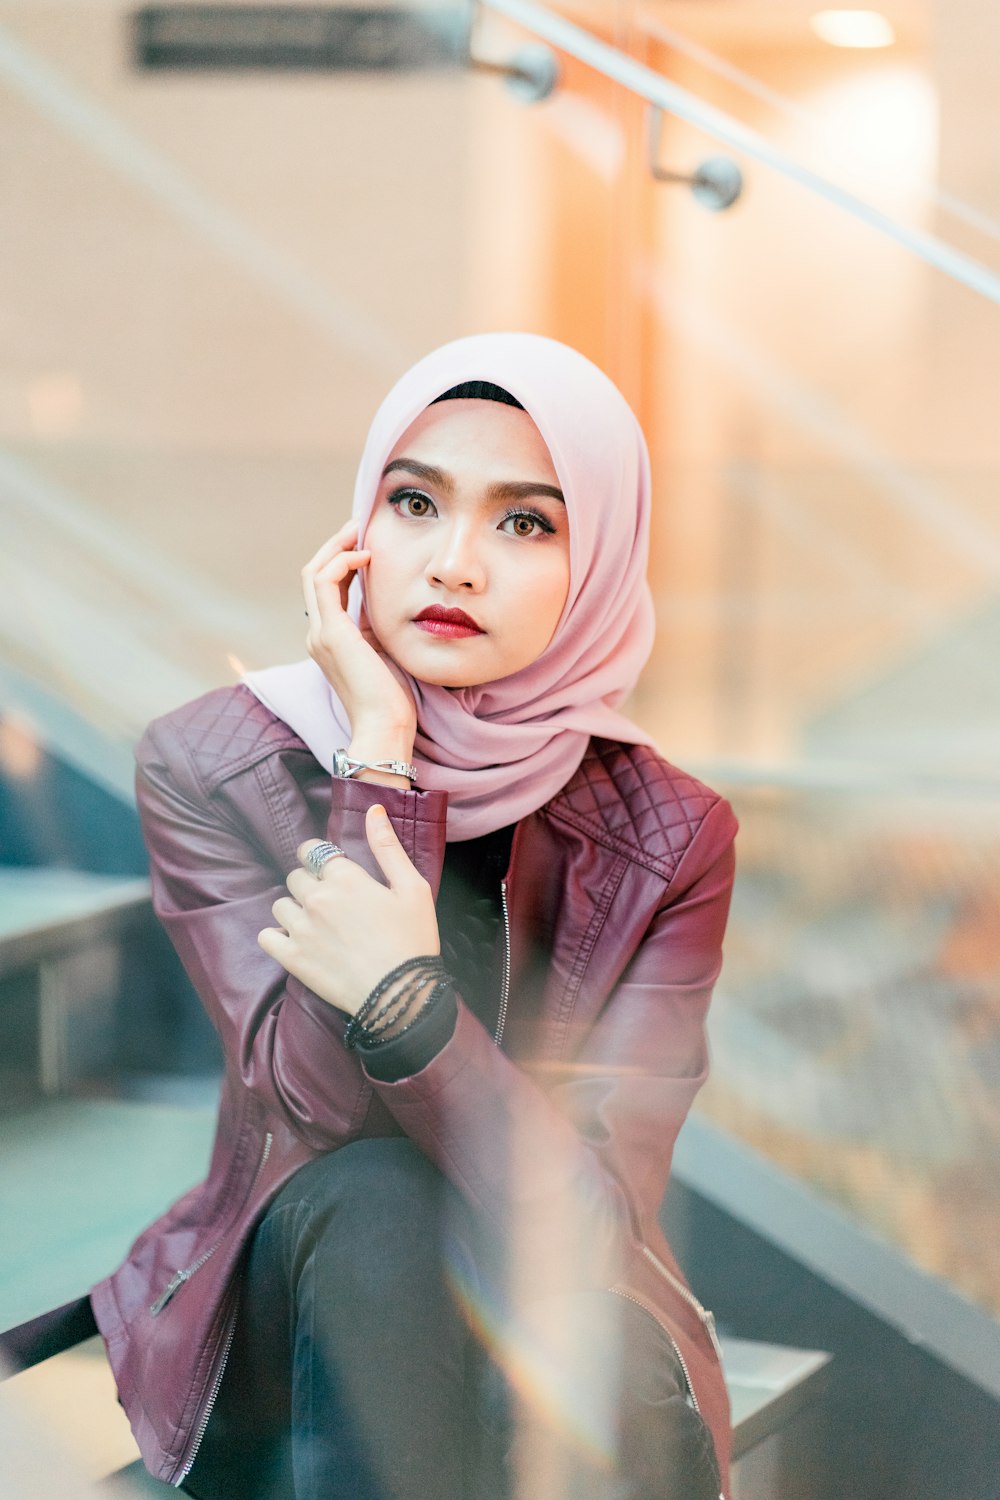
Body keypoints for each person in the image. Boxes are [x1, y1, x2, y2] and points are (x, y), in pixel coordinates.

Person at [90, 333, 738, 1500]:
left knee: (577, 1351)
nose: (453, 564)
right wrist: (377, 757)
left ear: (600, 563)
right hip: (305, 1300)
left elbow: (587, 1221)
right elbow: (322, 1112)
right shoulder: (212, 764)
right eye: (414, 502)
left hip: (547, 1296)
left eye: (525, 523)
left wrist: (404, 1006)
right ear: (356, 536)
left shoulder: (674, 837)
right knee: (379, 1200)